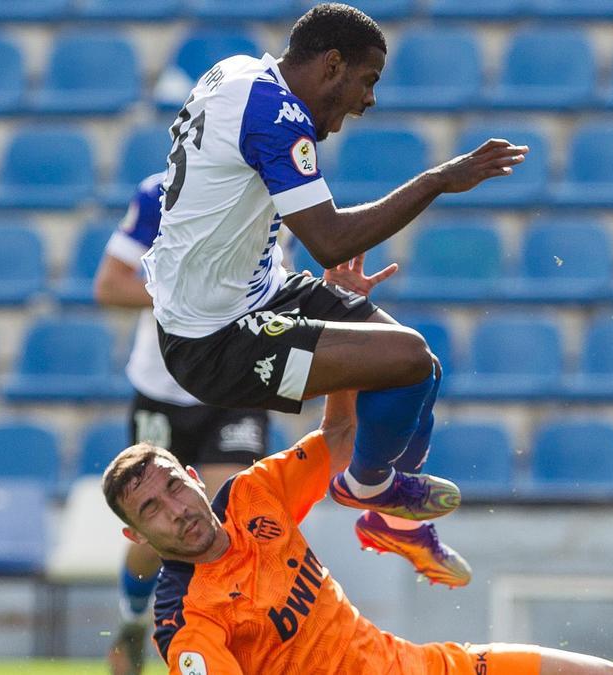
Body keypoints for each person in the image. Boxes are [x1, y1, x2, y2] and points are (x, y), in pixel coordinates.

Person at [144, 3, 524, 593]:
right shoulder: (276, 114)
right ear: (332, 64)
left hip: (258, 293)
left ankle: (390, 516)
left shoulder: (238, 73)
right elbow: (330, 241)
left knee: (420, 370)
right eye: (367, 81)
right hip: (213, 339)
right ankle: (367, 486)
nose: (368, 100)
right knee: (406, 361)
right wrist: (437, 180)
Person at [101, 383, 613, 675]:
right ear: (139, 539)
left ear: (193, 478)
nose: (175, 509)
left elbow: (340, 434)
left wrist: (339, 332)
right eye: (150, 510)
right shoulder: (188, 623)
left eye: (173, 487)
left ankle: (385, 511)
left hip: (420, 666)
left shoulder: (254, 493)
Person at [94, 172, 398, 675]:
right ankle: (133, 618)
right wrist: (193, 296)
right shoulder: (163, 194)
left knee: (225, 505)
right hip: (165, 388)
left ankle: (258, 634)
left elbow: (275, 289)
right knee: (157, 532)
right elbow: (109, 285)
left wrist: (335, 309)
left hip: (234, 379)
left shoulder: (281, 187)